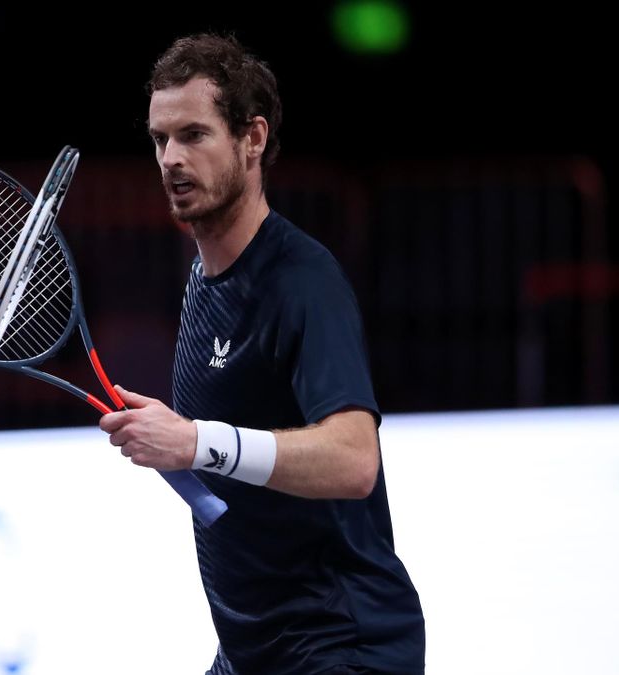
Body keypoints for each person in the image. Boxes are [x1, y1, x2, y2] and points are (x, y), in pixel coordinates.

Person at [98, 35, 425, 674]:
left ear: (252, 137)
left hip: (340, 645)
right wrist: (172, 446)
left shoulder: (302, 281)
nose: (171, 159)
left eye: (194, 135)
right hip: (252, 651)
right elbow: (234, 474)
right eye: (160, 140)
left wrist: (196, 441)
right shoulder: (201, 279)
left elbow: (354, 459)